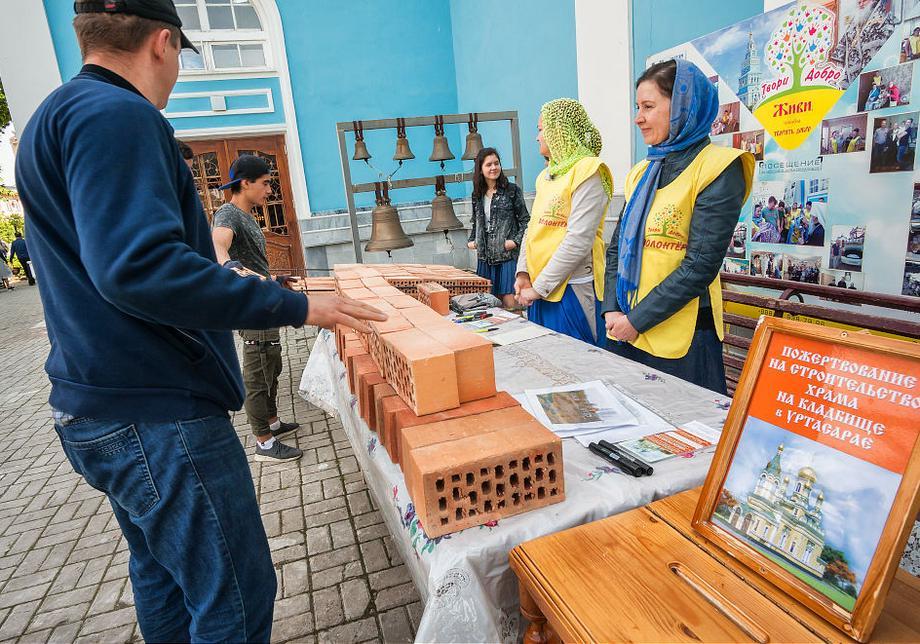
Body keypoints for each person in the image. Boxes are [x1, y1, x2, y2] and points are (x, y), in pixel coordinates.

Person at [14, 3, 385, 642]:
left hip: (97, 403)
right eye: (183, 56)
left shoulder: (55, 113)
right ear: (163, 43)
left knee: (164, 580)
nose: (178, 72)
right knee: (234, 598)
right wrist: (293, 305)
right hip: (157, 412)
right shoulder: (119, 114)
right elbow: (136, 268)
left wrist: (215, 279)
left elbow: (110, 259)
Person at [603, 59, 754, 394]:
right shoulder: (644, 171)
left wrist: (635, 320)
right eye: (637, 107)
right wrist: (612, 308)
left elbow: (699, 265)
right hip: (625, 330)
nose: (638, 118)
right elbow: (616, 247)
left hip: (682, 345)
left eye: (648, 106)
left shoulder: (719, 167)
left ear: (683, 106)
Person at [212, 155, 303, 463]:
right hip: (250, 307)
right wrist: (229, 265)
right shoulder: (228, 214)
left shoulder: (248, 215)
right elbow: (218, 245)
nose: (269, 190)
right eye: (265, 184)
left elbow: (253, 263)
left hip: (264, 300)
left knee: (272, 364)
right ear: (245, 183)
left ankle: (273, 422)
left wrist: (275, 279)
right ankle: (263, 442)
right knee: (257, 369)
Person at [514, 98, 612, 346]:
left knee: (578, 365)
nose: (537, 137)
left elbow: (579, 240)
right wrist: (523, 272)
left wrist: (540, 287)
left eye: (540, 129)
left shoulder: (589, 170)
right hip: (540, 289)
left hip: (572, 290)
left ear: (559, 130)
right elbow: (532, 227)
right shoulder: (546, 176)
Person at [467, 147, 530, 308]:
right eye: (489, 165)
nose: (494, 168)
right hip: (485, 259)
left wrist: (514, 242)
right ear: (480, 169)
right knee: (490, 306)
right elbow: (477, 222)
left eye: (496, 163)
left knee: (511, 304)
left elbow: (525, 220)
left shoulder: (512, 191)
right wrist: (472, 240)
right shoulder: (477, 194)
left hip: (507, 256)